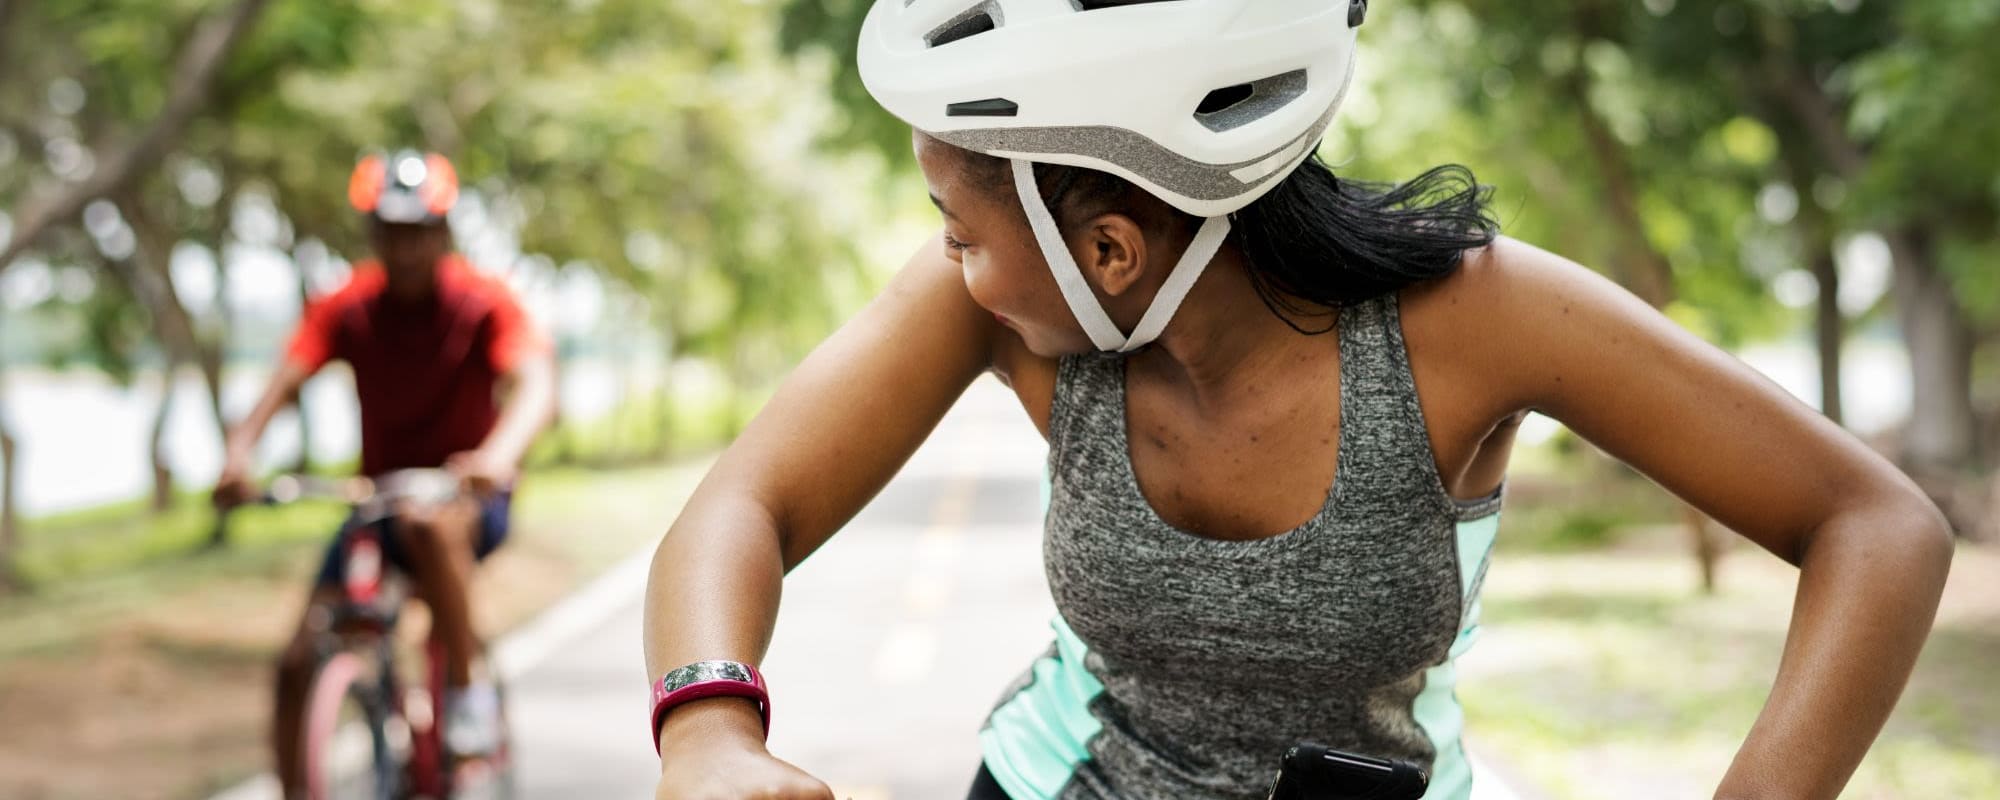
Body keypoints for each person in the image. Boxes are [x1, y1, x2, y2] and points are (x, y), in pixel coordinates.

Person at [642, 2, 1953, 799]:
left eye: (956, 225)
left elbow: (1876, 527)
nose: (948, 262)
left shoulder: (1473, 318)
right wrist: (705, 730)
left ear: (1111, 247)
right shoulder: (1003, 310)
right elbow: (744, 506)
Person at [213, 150, 556, 795]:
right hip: (376, 503)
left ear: (443, 235)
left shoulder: (484, 302)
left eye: (419, 233)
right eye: (391, 233)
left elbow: (536, 384)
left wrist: (498, 457)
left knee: (428, 523)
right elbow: (284, 381)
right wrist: (240, 455)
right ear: (373, 235)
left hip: (466, 498)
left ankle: (466, 700)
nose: (405, 250)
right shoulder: (347, 306)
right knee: (295, 663)